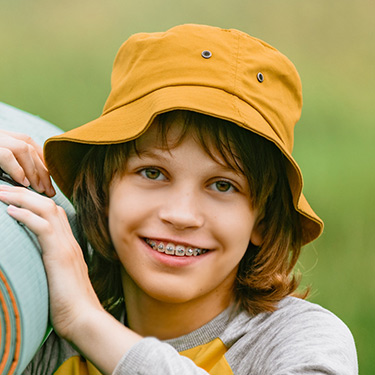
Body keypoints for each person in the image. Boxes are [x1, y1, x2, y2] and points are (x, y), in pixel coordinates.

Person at [0, 24, 357, 374]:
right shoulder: (49, 344)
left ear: (262, 220)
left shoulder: (298, 341)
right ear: (104, 190)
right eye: (153, 173)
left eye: (222, 185)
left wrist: (86, 322)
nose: (182, 215)